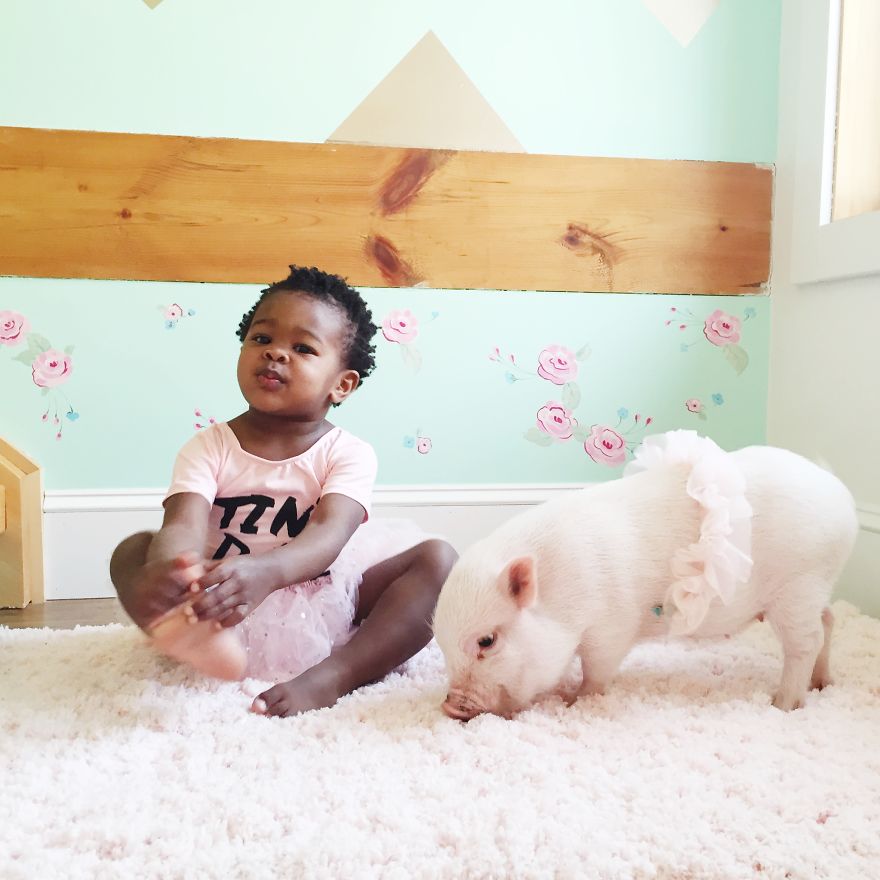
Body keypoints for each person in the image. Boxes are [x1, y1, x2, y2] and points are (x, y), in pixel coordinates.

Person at [110, 265, 458, 717]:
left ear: (342, 384)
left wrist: (267, 572)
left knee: (439, 561)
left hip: (320, 599)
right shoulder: (209, 446)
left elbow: (329, 534)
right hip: (221, 599)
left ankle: (337, 674)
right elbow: (182, 525)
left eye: (302, 348)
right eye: (262, 339)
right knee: (132, 551)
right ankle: (188, 632)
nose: (275, 353)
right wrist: (175, 572)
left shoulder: (348, 453)